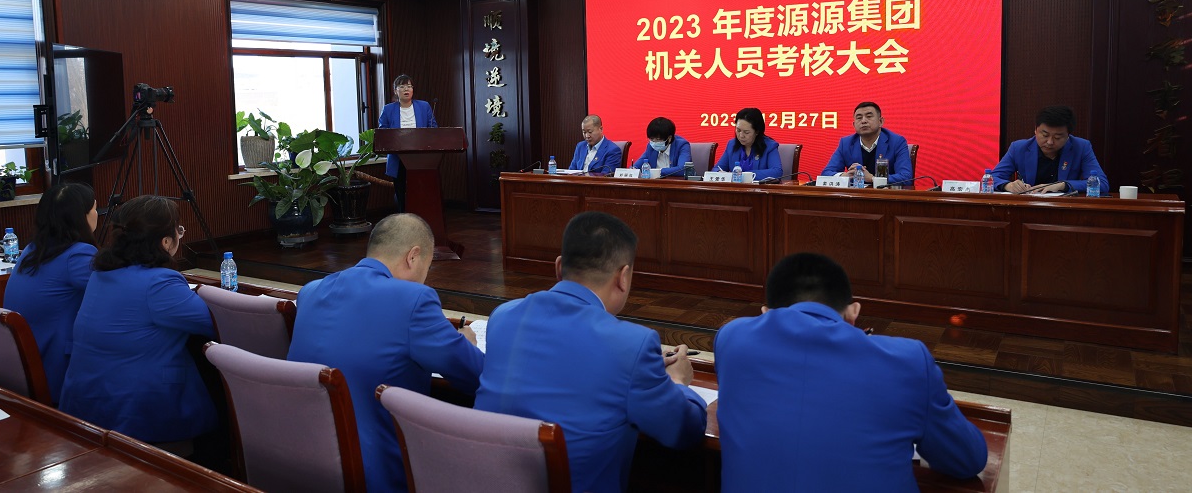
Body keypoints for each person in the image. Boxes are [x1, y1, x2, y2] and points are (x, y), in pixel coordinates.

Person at [475, 211, 707, 493]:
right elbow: (683, 431)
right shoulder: (633, 343)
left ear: (559, 267)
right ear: (623, 277)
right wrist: (677, 382)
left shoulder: (502, 316)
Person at [715, 253, 987, 492]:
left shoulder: (732, 339)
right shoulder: (908, 359)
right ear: (853, 312)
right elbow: (967, 459)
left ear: (765, 312)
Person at [288, 213, 483, 493]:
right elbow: (475, 375)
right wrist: (467, 343)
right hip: (378, 475)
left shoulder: (310, 292)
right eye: (428, 267)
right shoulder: (414, 299)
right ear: (413, 257)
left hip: (301, 465)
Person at [61, 195, 217, 446]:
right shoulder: (159, 283)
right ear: (166, 242)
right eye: (178, 230)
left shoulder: (101, 274)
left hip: (87, 402)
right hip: (136, 412)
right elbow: (214, 324)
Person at [3, 182, 98, 404]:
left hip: (23, 366)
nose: (97, 214)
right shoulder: (78, 255)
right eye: (94, 208)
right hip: (56, 370)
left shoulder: (31, 250)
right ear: (82, 217)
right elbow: (117, 293)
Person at [992, 105, 1108, 194]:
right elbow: (991, 179)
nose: (1050, 142)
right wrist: (1007, 185)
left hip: (1065, 209)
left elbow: (1102, 184)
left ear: (1068, 135)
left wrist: (1063, 185)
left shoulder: (1081, 147)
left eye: (1057, 137)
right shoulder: (1018, 148)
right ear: (1035, 130)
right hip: (1028, 207)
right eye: (1045, 135)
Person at [378, 74, 437, 212]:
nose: (406, 89)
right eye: (402, 86)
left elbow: (433, 128)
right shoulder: (388, 109)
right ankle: (403, 218)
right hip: (398, 158)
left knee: (421, 192)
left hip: (420, 157)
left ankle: (421, 217)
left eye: (409, 86)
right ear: (395, 90)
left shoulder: (424, 106)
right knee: (401, 193)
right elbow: (383, 133)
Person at [822, 101, 913, 186]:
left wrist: (872, 179)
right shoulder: (846, 143)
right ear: (854, 125)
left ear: (880, 121)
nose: (863, 121)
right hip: (856, 196)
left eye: (869, 116)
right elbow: (826, 173)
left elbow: (906, 177)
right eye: (859, 118)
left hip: (886, 195)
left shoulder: (897, 142)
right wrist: (845, 176)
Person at [713, 107, 782, 180]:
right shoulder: (732, 144)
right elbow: (716, 169)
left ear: (757, 132)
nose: (741, 135)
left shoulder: (769, 146)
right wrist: (720, 173)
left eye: (746, 132)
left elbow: (777, 172)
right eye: (738, 130)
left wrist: (744, 175)